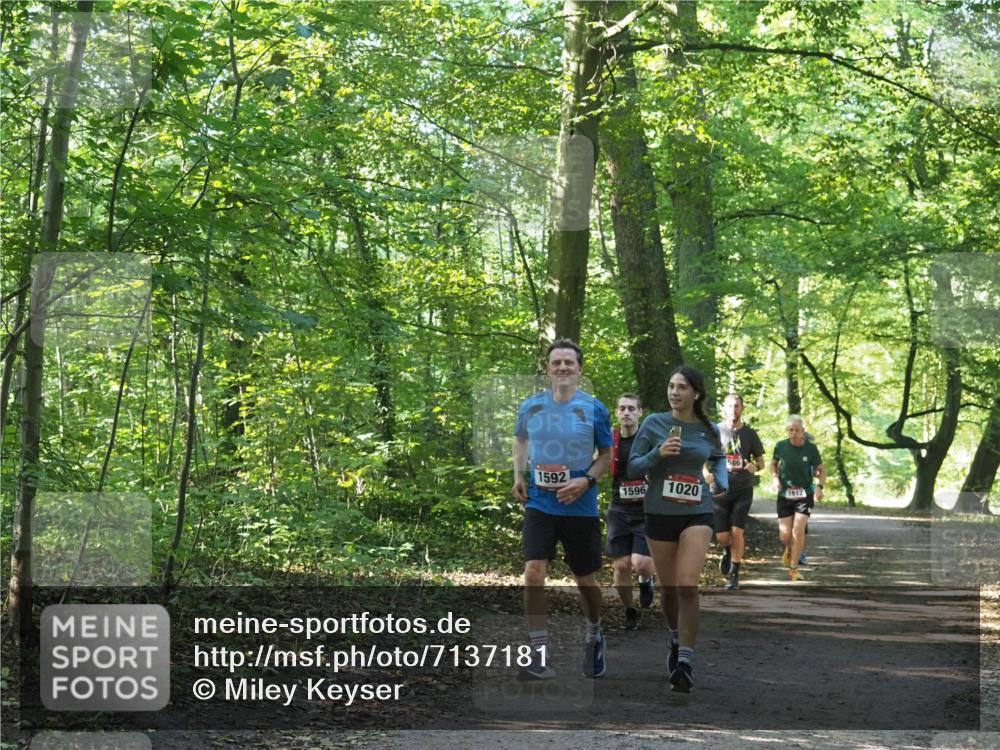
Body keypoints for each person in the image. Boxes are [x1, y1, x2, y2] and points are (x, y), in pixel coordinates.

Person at [512, 339, 612, 679]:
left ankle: (594, 634)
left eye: (570, 362)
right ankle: (539, 653)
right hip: (541, 502)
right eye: (557, 362)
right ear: (548, 368)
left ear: (580, 369)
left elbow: (607, 456)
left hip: (580, 507)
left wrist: (585, 481)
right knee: (533, 571)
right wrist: (518, 475)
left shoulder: (594, 408)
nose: (563, 368)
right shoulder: (531, 407)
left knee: (585, 580)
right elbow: (521, 440)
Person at [627, 365, 727, 692]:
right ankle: (674, 636)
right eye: (671, 386)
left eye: (681, 387)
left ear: (695, 393)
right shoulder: (654, 423)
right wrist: (658, 453)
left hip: (697, 511)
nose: (674, 392)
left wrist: (720, 482)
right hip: (659, 512)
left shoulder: (708, 429)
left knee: (687, 584)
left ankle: (685, 659)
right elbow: (633, 466)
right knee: (669, 590)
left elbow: (718, 458)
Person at [606, 394, 655, 631]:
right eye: (622, 408)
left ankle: (646, 581)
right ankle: (630, 611)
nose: (626, 412)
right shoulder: (610, 441)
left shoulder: (647, 440)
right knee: (621, 566)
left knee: (642, 564)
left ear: (640, 412)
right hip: (618, 509)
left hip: (646, 511)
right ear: (616, 413)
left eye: (631, 409)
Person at [714, 393, 765, 590]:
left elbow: (760, 462)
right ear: (724, 409)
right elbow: (705, 457)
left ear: (742, 408)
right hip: (719, 489)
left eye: (737, 406)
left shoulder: (750, 434)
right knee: (722, 537)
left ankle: (734, 574)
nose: (733, 410)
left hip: (743, 488)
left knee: (737, 532)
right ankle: (726, 551)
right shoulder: (716, 431)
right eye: (730, 406)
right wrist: (706, 473)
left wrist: (755, 467)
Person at [770, 415, 825, 581]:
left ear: (803, 431)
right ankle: (789, 549)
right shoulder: (781, 446)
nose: (794, 433)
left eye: (797, 430)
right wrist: (775, 478)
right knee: (785, 536)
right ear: (788, 431)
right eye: (791, 430)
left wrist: (819, 487)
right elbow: (773, 464)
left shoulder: (811, 449)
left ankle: (793, 569)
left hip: (805, 494)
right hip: (785, 494)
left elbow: (821, 469)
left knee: (798, 530)